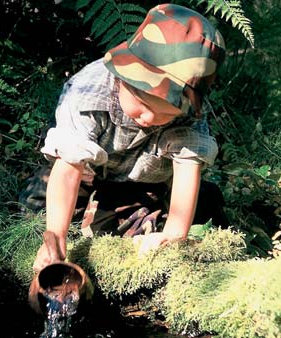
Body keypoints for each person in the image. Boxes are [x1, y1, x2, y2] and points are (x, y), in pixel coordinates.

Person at [29, 3, 227, 272]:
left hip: (148, 179)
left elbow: (187, 166)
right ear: (123, 77)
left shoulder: (188, 111)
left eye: (162, 114)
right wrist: (56, 237)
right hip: (87, 171)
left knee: (191, 216)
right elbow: (67, 171)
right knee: (36, 206)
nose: (147, 118)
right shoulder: (88, 91)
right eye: (142, 105)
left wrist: (174, 233)